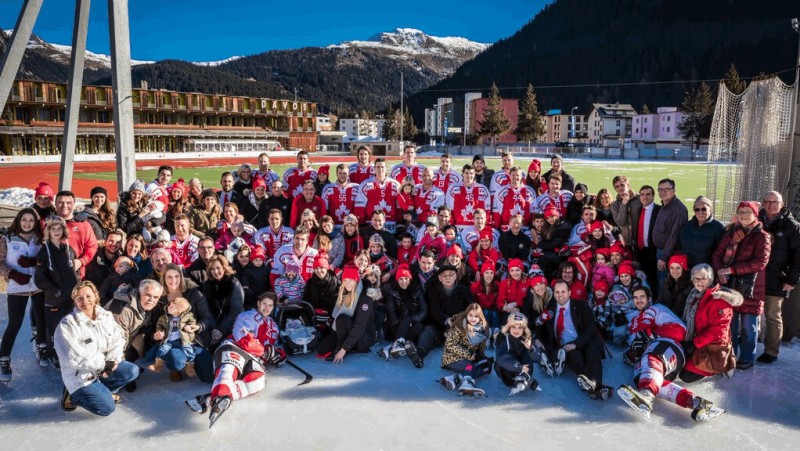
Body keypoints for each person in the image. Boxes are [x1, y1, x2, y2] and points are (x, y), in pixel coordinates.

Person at [618, 286, 724, 422]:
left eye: (642, 296)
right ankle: (697, 403)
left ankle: (646, 398)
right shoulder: (633, 322)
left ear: (649, 299)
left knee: (652, 360)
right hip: (651, 358)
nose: (639, 300)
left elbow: (680, 331)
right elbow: (635, 346)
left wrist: (649, 335)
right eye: (636, 297)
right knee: (646, 380)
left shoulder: (657, 309)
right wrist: (631, 354)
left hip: (668, 346)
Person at [193, 292, 283, 427]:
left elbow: (275, 348)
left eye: (270, 305)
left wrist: (278, 355)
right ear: (258, 303)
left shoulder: (274, 327)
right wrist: (265, 352)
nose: (267, 307)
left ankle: (210, 398)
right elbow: (243, 338)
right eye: (265, 303)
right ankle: (219, 396)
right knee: (229, 369)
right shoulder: (246, 316)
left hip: (253, 359)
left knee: (259, 381)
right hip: (235, 348)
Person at [55, 281, 139, 416]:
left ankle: (102, 391)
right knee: (107, 408)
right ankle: (73, 395)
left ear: (96, 296)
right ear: (75, 301)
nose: (85, 301)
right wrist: (103, 364)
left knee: (131, 371)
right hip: (81, 376)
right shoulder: (68, 324)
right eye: (79, 298)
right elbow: (73, 357)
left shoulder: (106, 316)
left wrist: (111, 361)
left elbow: (118, 339)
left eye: (88, 296)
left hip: (102, 368)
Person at [711, 201, 771, 370]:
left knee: (748, 327)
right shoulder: (731, 232)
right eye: (741, 212)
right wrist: (720, 271)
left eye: (747, 212)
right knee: (730, 324)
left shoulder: (762, 236)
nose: (743, 215)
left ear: (755, 214)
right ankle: (730, 355)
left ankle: (747, 358)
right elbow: (717, 254)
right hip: (729, 285)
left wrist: (731, 269)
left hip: (751, 287)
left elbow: (760, 262)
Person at [541, 280, 611, 400]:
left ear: (569, 292)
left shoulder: (581, 305)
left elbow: (591, 328)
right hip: (566, 345)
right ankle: (598, 388)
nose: (560, 295)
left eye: (563, 291)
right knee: (575, 358)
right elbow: (542, 328)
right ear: (554, 294)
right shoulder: (550, 309)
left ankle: (594, 386)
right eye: (557, 292)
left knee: (592, 353)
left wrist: (576, 343)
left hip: (584, 339)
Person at [0, 208, 44, 380]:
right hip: (17, 286)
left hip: (38, 285)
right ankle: (4, 358)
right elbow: (0, 262)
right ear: (18, 220)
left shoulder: (40, 238)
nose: (27, 223)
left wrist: (34, 262)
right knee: (15, 323)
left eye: (31, 220)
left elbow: (46, 260)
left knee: (41, 319)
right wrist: (11, 274)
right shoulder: (7, 238)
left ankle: (42, 348)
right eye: (24, 219)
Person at [679, 264, 743, 382]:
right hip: (699, 342)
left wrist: (694, 344)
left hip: (713, 347)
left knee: (686, 376)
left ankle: (719, 368)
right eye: (696, 278)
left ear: (710, 279)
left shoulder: (719, 299)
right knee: (677, 364)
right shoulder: (694, 294)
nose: (700, 282)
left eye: (703, 278)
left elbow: (718, 331)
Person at [757, 191, 800, 362]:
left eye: (775, 202)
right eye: (767, 201)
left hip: (778, 277)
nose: (771, 205)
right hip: (755, 276)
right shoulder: (756, 220)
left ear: (782, 204)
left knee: (772, 315)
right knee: (749, 312)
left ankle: (771, 351)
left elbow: (798, 256)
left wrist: (792, 279)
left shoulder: (792, 226)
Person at [35, 215, 80, 369]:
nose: (56, 231)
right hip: (54, 299)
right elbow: (40, 279)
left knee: (70, 329)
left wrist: (78, 288)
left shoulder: (68, 249)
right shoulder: (44, 251)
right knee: (55, 330)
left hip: (71, 298)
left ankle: (69, 356)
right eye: (52, 228)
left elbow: (75, 272)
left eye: (59, 228)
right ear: (48, 231)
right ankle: (53, 355)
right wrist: (55, 290)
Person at [159, 264, 215, 382]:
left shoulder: (193, 293)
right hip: (172, 341)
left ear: (181, 277)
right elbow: (157, 321)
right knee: (175, 360)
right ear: (164, 278)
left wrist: (198, 326)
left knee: (208, 377)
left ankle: (191, 361)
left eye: (176, 276)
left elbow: (206, 317)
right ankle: (175, 367)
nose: (173, 280)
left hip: (193, 339)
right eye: (169, 277)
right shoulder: (160, 297)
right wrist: (160, 332)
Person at [316, 266, 377, 362]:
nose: (347, 283)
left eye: (351, 280)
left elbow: (359, 327)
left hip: (363, 337)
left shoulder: (365, 299)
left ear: (356, 281)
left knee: (342, 318)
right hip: (347, 330)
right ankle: (346, 346)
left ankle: (345, 348)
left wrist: (343, 349)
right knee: (321, 348)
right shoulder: (344, 294)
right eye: (345, 280)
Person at [415, 265, 473, 361]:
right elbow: (434, 310)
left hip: (458, 325)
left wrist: (458, 319)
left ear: (455, 276)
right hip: (439, 326)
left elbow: (471, 308)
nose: (448, 278)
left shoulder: (464, 290)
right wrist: (446, 320)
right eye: (444, 276)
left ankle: (464, 357)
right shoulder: (434, 291)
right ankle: (419, 354)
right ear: (440, 278)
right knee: (428, 331)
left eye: (451, 275)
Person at [437, 303, 492, 397]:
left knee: (483, 369)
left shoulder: (482, 329)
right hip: (452, 357)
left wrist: (482, 359)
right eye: (470, 315)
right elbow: (450, 345)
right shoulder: (459, 325)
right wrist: (468, 354)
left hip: (469, 358)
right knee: (470, 366)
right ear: (466, 314)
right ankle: (466, 384)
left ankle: (456, 378)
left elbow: (480, 349)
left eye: (476, 316)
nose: (473, 318)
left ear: (480, 317)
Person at [380, 264, 426, 367]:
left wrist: (412, 320)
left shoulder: (416, 290)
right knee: (406, 318)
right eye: (401, 279)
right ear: (397, 280)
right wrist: (403, 323)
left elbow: (423, 309)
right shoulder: (392, 291)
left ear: (410, 279)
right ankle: (399, 342)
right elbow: (391, 312)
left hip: (411, 324)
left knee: (419, 326)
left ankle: (395, 345)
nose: (404, 281)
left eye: (406, 278)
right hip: (394, 326)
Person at [494, 312, 544, 396]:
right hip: (508, 372)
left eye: (519, 327)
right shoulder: (503, 338)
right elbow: (500, 358)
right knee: (505, 358)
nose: (516, 330)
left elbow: (537, 358)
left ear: (524, 328)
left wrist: (531, 348)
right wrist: (519, 367)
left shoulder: (527, 338)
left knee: (527, 353)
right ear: (509, 327)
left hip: (525, 370)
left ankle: (523, 378)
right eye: (513, 327)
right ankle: (518, 381)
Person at [202, 255, 245, 349]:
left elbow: (236, 310)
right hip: (213, 324)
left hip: (230, 325)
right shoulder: (207, 285)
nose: (215, 271)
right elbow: (206, 308)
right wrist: (213, 328)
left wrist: (220, 330)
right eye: (212, 269)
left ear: (224, 268)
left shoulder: (234, 283)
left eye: (218, 268)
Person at [149, 296, 198, 377]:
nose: (168, 307)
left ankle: (190, 367)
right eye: (169, 305)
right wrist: (160, 331)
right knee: (162, 349)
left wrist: (189, 327)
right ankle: (158, 365)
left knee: (189, 351)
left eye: (171, 307)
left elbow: (192, 322)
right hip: (169, 340)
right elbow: (159, 325)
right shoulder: (164, 317)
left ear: (178, 311)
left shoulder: (187, 316)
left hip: (182, 340)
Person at [55, 190, 98, 279]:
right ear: (55, 203)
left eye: (68, 203)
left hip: (76, 274)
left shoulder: (83, 224)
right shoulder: (48, 223)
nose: (64, 205)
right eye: (61, 202)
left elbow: (92, 246)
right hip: (53, 274)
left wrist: (81, 261)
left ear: (73, 204)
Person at [652, 178, 688, 284]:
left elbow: (674, 235)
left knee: (665, 282)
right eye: (660, 189)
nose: (663, 192)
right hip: (660, 250)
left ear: (673, 191)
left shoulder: (678, 210)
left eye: (666, 189)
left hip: (668, 253)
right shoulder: (665, 205)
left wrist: (664, 257)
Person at [355, 158, 402, 231]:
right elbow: (360, 207)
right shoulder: (365, 185)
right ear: (374, 169)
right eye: (378, 167)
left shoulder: (395, 185)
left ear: (386, 169)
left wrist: (400, 224)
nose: (380, 169)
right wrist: (362, 224)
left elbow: (399, 206)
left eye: (382, 167)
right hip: (371, 224)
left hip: (391, 225)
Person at [678, 196, 725, 269]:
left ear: (711, 210)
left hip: (705, 270)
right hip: (686, 268)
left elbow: (721, 253)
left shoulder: (719, 228)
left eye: (704, 209)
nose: (700, 212)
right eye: (697, 209)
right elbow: (679, 246)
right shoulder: (687, 226)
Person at [634, 185, 660, 293]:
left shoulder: (659, 210)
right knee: (641, 276)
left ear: (653, 196)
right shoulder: (639, 209)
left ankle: (653, 297)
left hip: (653, 250)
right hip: (640, 249)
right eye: (642, 194)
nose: (645, 197)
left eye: (648, 194)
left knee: (654, 278)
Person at [610, 175, 642, 247]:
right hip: (627, 242)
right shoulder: (614, 205)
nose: (620, 188)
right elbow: (621, 222)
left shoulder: (639, 198)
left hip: (642, 239)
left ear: (628, 185)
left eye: (622, 185)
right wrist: (624, 204)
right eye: (617, 186)